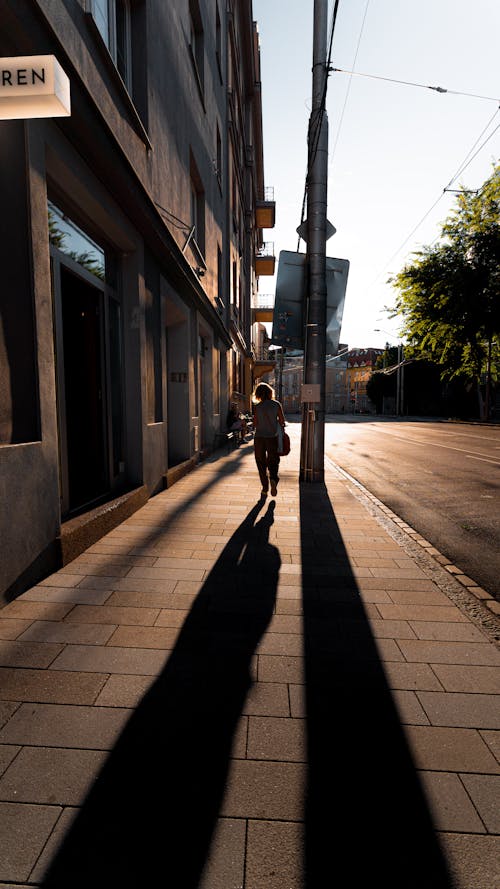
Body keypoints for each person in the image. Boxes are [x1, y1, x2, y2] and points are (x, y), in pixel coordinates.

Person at [252, 382, 286, 497]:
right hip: (272, 437)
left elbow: (255, 423)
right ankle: (273, 479)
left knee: (260, 462)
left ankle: (265, 487)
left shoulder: (257, 407)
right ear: (270, 392)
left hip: (259, 438)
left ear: (258, 394)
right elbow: (282, 422)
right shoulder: (276, 404)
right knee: (273, 460)